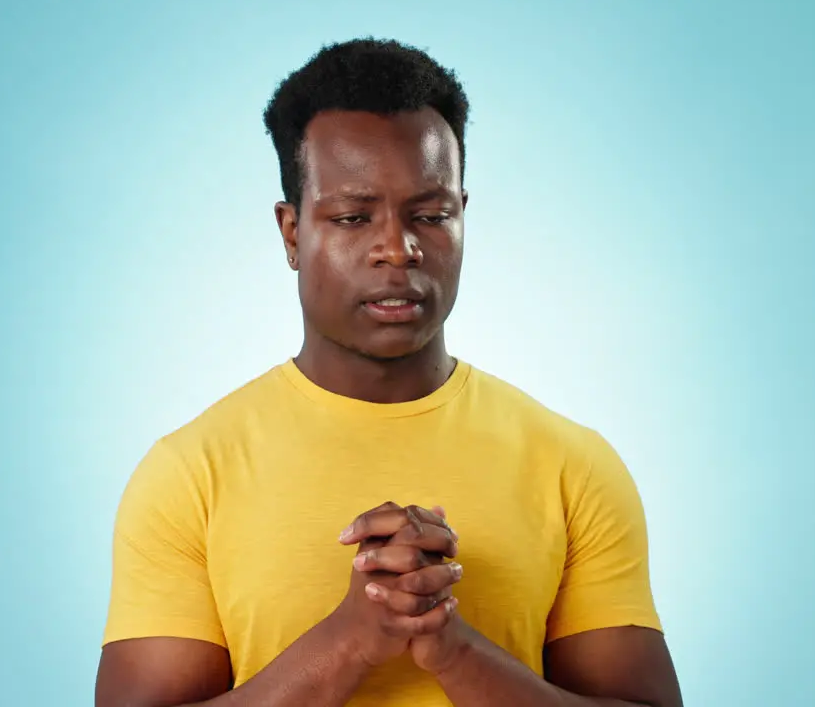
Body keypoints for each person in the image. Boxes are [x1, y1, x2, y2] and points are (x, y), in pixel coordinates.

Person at [94, 37, 683, 707]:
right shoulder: (189, 475)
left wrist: (454, 650)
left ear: (463, 216)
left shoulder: (572, 465)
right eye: (352, 217)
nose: (396, 250)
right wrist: (352, 638)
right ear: (292, 233)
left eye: (431, 215)